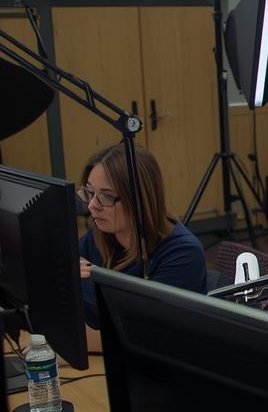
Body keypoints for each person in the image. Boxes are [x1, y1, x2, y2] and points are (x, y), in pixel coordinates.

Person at [78, 143, 207, 352]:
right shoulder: (99, 237)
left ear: (139, 198)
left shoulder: (182, 254)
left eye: (106, 196)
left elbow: (148, 336)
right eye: (90, 193)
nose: (92, 205)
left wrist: (71, 343)